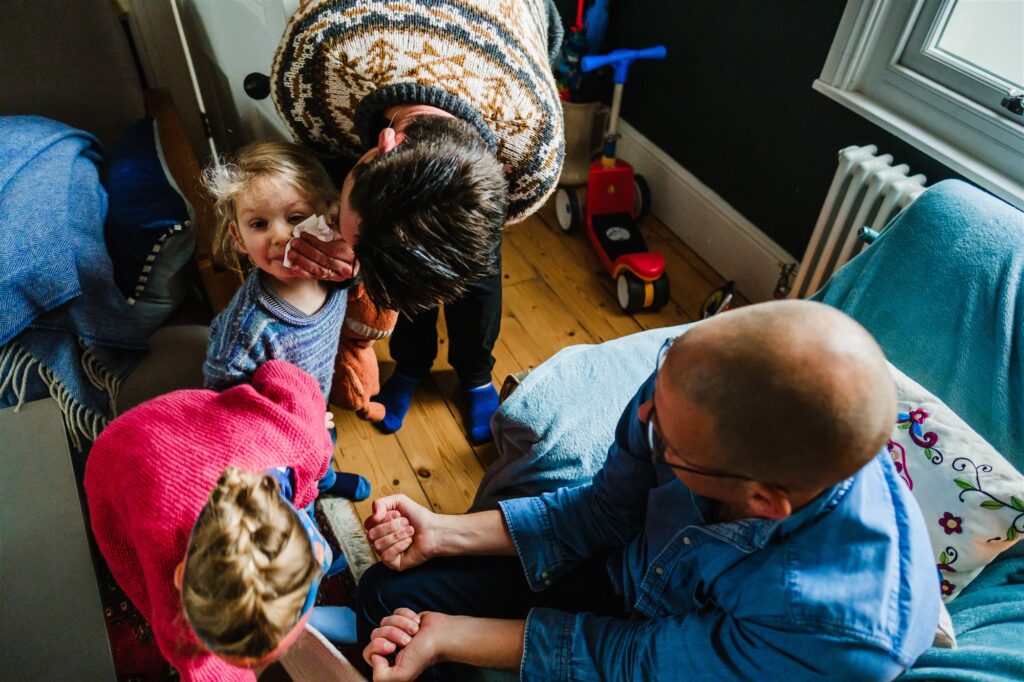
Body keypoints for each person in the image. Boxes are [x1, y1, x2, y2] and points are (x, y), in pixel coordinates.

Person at [355, 300, 942, 681]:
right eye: (654, 404)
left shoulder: (836, 629)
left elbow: (636, 661)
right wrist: (443, 533)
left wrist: (449, 636)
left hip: (689, 658)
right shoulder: (682, 382)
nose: (641, 424)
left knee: (421, 635)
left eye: (669, 445)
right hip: (639, 575)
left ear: (763, 500)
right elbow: (604, 508)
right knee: (388, 591)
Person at [270, 0, 565, 444]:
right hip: (371, 44)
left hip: (508, 44)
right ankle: (411, 361)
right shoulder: (318, 59)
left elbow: (547, 30)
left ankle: (475, 374)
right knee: (394, 261)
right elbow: (321, 162)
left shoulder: (533, 142)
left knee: (463, 268)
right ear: (380, 144)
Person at [84, 360, 356, 681]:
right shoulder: (169, 563)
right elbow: (201, 668)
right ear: (180, 573)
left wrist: (316, 426)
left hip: (191, 430)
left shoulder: (298, 438)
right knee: (160, 606)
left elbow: (282, 373)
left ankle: (303, 615)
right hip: (116, 460)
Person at [203, 141, 369, 500]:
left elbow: (364, 276)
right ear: (239, 238)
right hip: (277, 431)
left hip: (316, 406)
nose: (280, 236)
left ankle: (323, 480)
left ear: (327, 216)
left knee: (325, 444)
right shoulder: (249, 327)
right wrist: (288, 426)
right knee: (291, 491)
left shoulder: (333, 273)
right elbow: (223, 402)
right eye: (259, 224)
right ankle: (311, 520)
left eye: (295, 218)